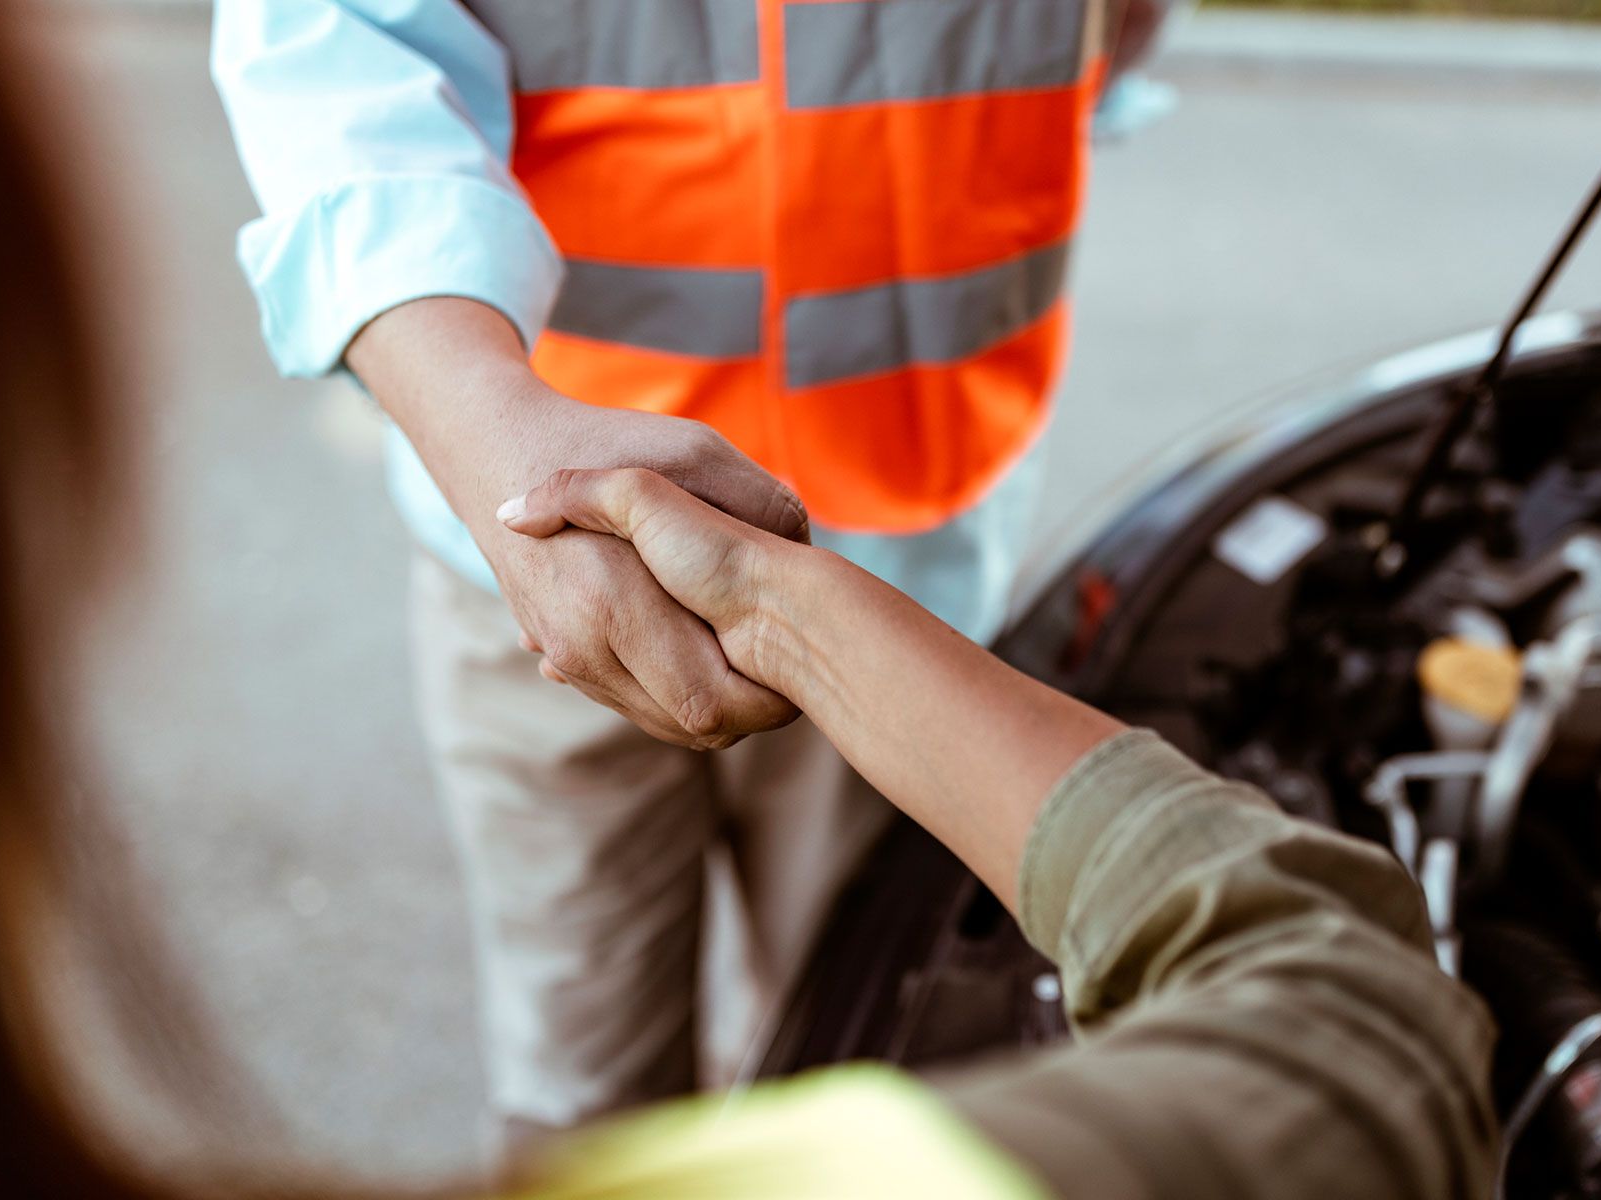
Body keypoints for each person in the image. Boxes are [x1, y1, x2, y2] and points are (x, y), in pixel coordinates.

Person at [210, 0, 1173, 1141]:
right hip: (550, 555)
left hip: (908, 553)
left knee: (859, 1077)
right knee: (593, 1097)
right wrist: (489, 426)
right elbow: (332, 44)